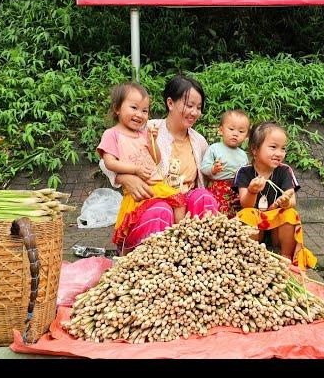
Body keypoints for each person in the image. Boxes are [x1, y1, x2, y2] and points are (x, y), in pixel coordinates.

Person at [101, 75, 219, 253]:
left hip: (184, 210)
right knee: (161, 210)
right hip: (153, 203)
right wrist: (125, 177)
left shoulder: (199, 141)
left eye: (199, 107)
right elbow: (106, 161)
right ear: (170, 103)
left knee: (203, 196)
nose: (194, 112)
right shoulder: (146, 128)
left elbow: (207, 176)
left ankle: (203, 254)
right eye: (189, 105)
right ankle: (154, 263)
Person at [97, 82, 186, 254]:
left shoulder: (143, 134)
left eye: (145, 111)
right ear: (117, 108)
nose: (140, 114)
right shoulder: (112, 134)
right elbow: (110, 163)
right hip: (138, 190)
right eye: (134, 108)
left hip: (156, 184)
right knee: (137, 218)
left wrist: (153, 141)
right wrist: (135, 170)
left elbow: (156, 159)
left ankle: (177, 239)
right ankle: (129, 251)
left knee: (179, 202)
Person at [233, 121, 317, 269]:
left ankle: (286, 257)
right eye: (273, 147)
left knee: (290, 213)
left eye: (283, 148)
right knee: (246, 214)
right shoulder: (245, 172)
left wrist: (286, 202)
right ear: (254, 149)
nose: (279, 153)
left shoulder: (284, 171)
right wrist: (252, 191)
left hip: (276, 228)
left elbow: (292, 200)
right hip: (255, 226)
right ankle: (251, 256)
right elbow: (245, 204)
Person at [200, 109, 250, 218]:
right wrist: (213, 169)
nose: (235, 134)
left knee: (236, 216)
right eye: (231, 129)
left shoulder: (243, 155)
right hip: (218, 188)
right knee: (216, 215)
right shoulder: (214, 148)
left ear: (246, 136)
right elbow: (203, 167)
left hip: (237, 190)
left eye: (241, 131)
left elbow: (246, 175)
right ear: (221, 130)